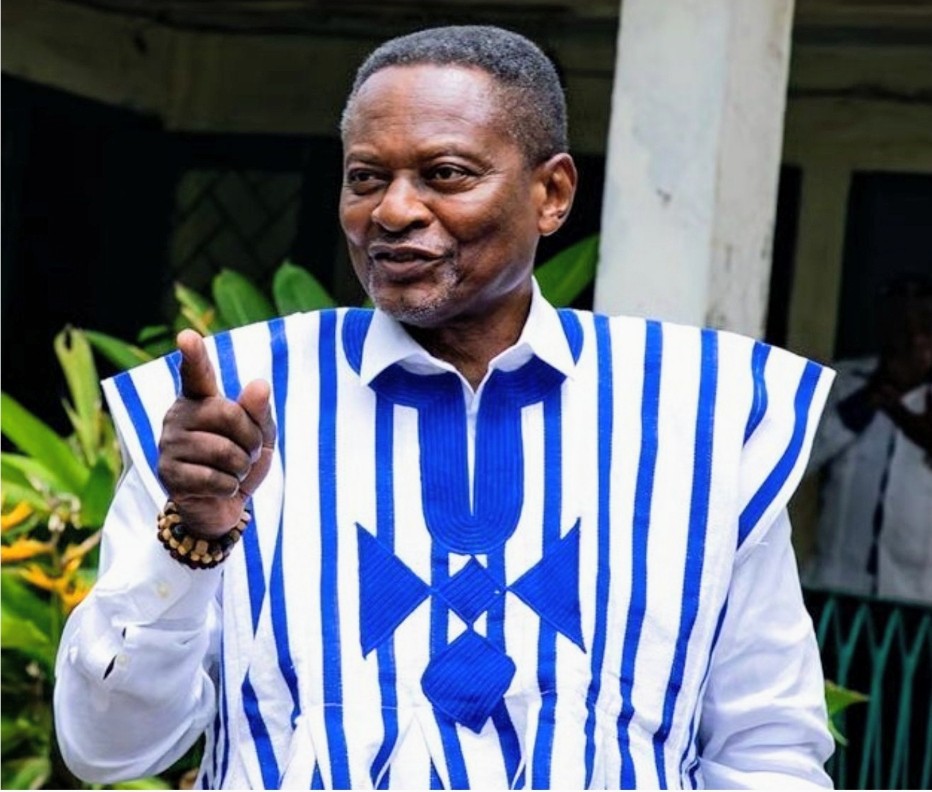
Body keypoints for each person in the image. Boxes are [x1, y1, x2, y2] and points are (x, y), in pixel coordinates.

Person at [53, 25, 836, 789]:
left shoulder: (699, 418)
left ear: (552, 193)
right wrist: (191, 535)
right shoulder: (224, 415)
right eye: (365, 178)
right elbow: (107, 751)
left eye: (446, 174)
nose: (393, 211)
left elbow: (768, 748)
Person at [802, 274, 932, 605]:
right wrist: (870, 398)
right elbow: (801, 460)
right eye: (902, 323)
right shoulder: (842, 382)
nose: (914, 336)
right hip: (833, 589)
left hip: (914, 602)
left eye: (923, 323)